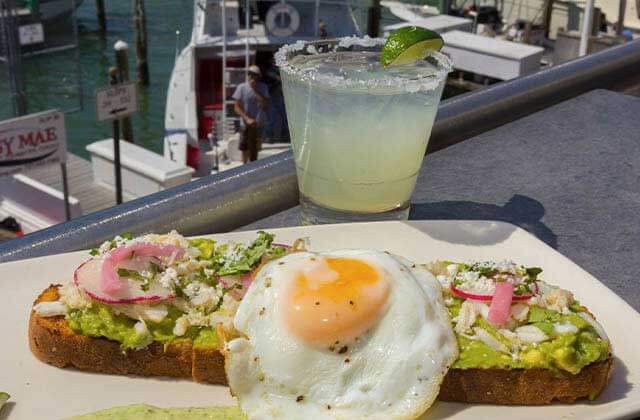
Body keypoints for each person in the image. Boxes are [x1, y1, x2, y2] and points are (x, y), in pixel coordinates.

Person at [233, 65, 269, 163]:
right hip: (245, 125)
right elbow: (236, 107)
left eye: (254, 75)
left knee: (255, 151)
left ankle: (253, 171)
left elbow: (265, 105)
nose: (251, 77)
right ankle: (244, 170)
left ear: (258, 76)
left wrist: (255, 90)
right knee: (244, 149)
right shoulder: (241, 87)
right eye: (250, 74)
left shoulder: (263, 87)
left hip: (258, 125)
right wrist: (247, 119)